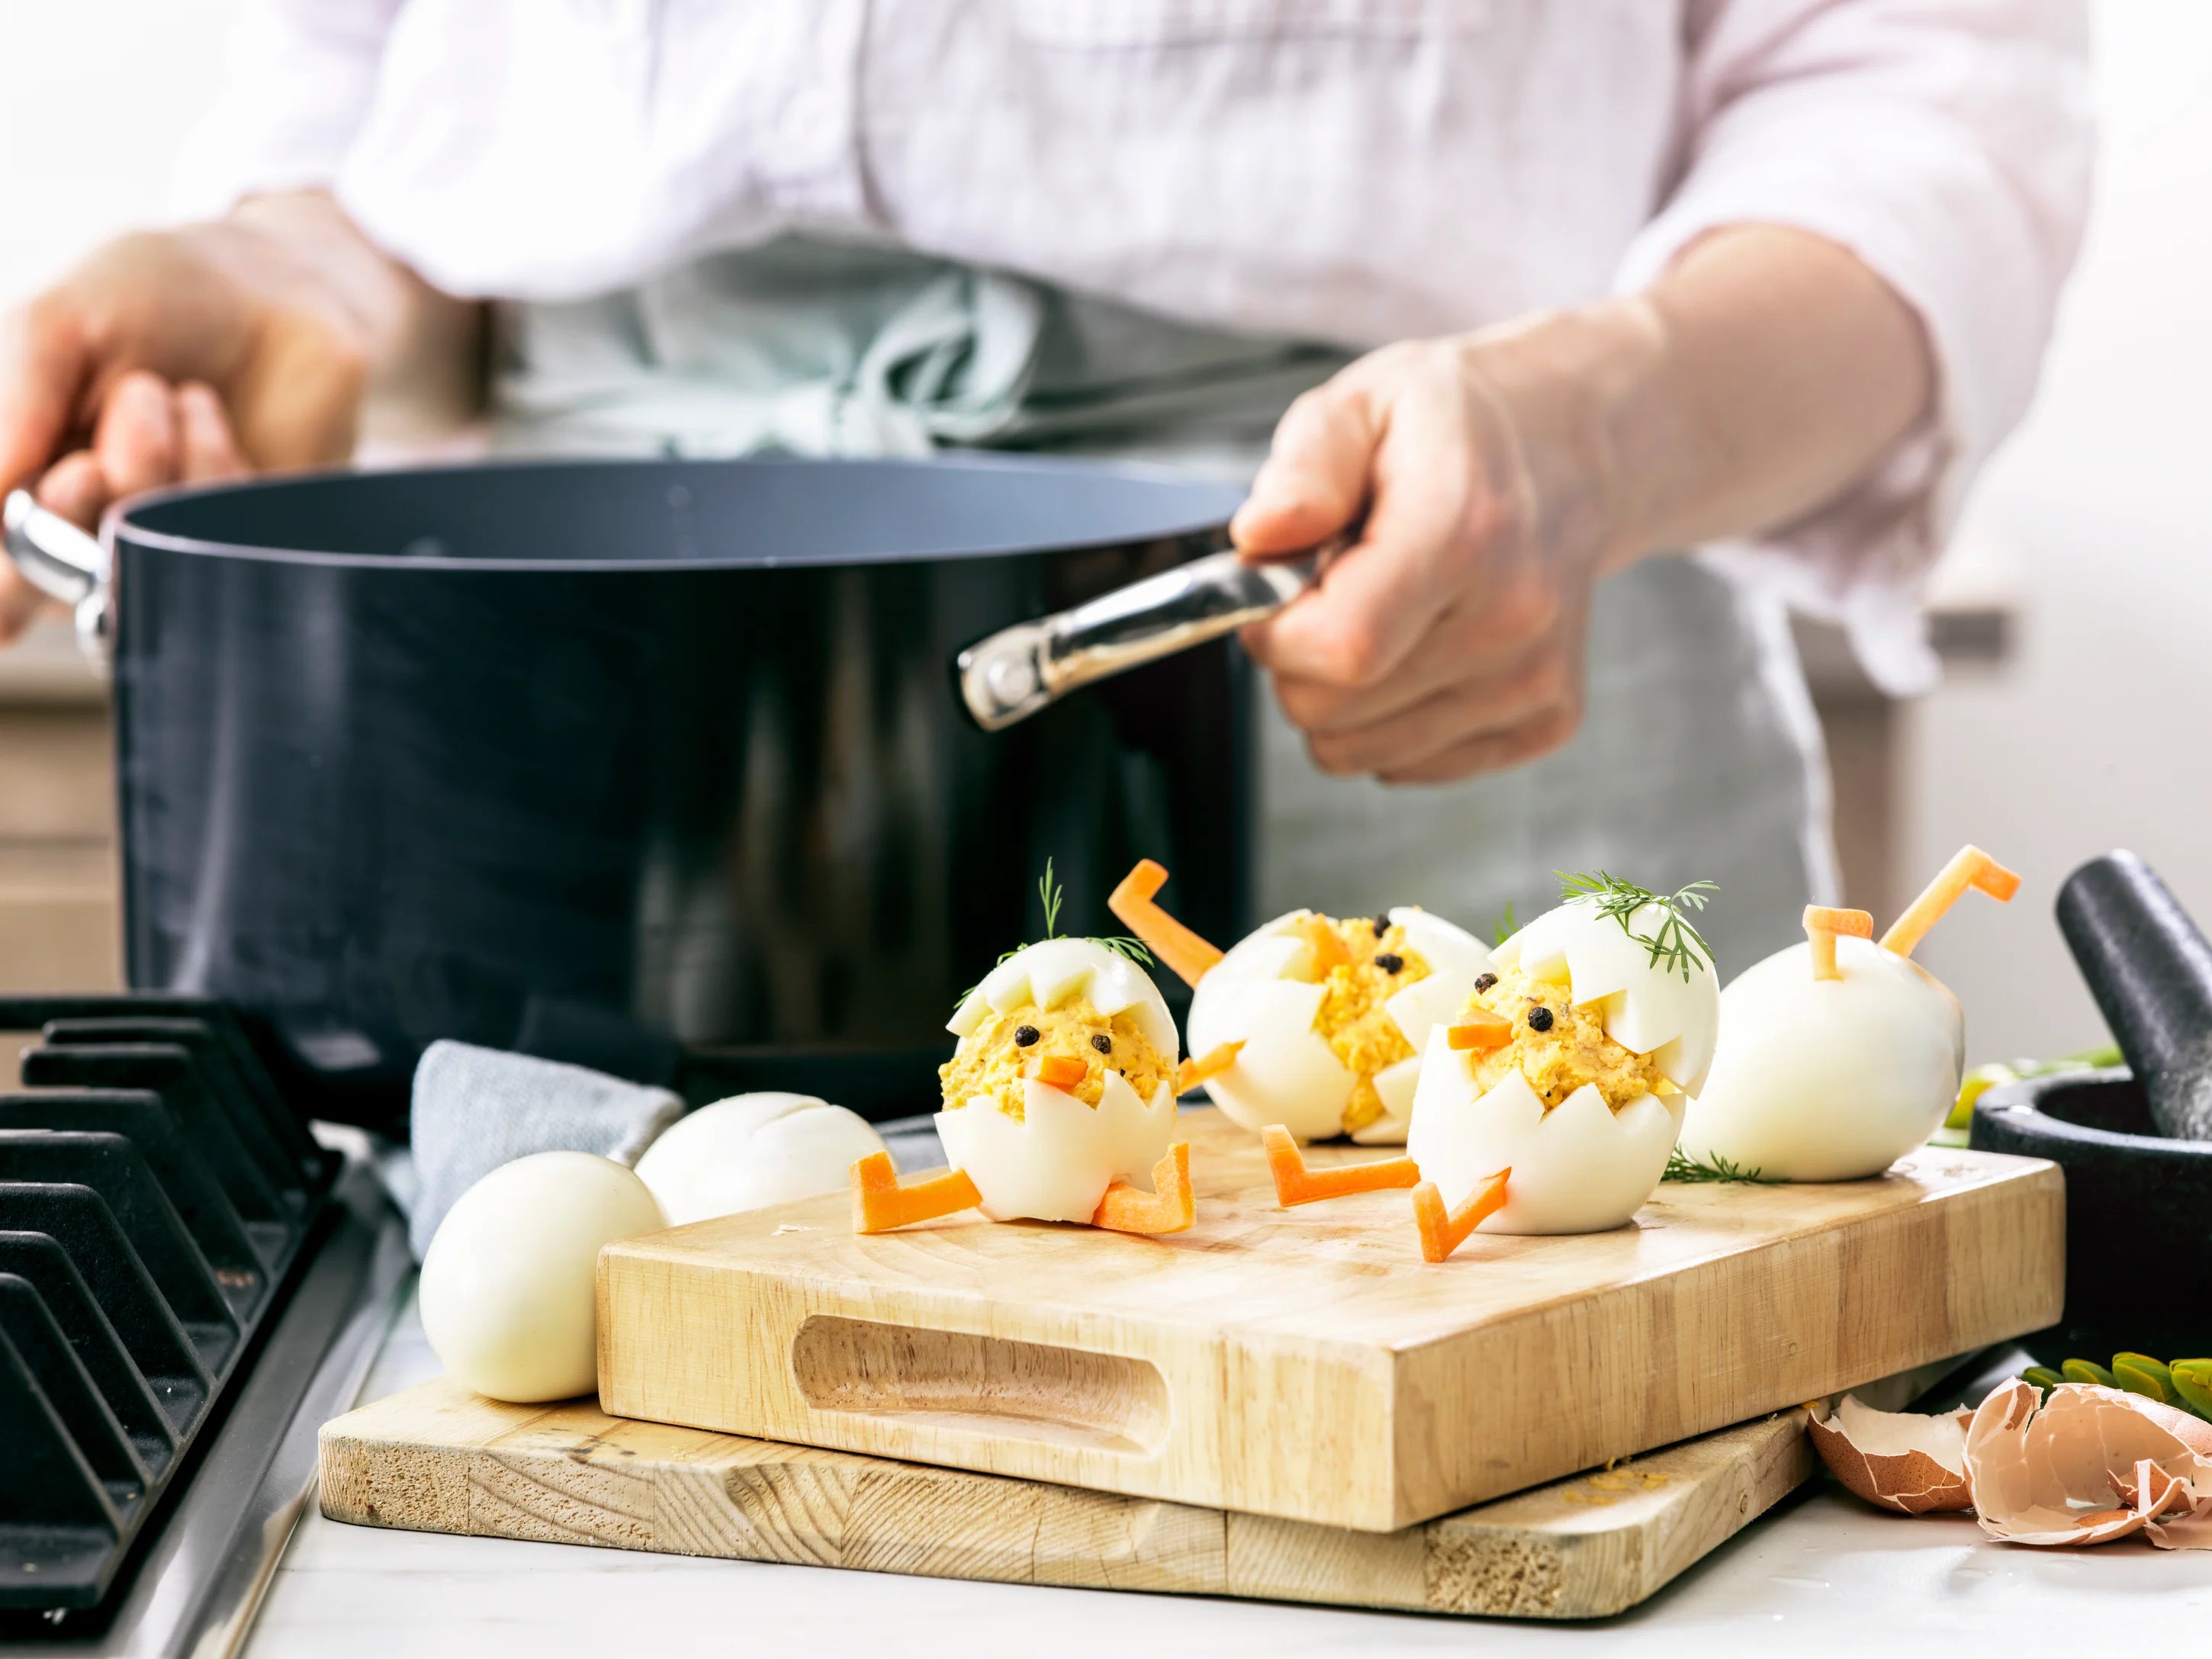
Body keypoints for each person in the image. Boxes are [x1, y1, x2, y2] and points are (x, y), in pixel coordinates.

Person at [0, 2, 2089, 973]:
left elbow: (1915, 96)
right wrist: (295, 268)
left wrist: (1608, 417)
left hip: (1427, 670)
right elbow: (393, 109)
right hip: (610, 800)